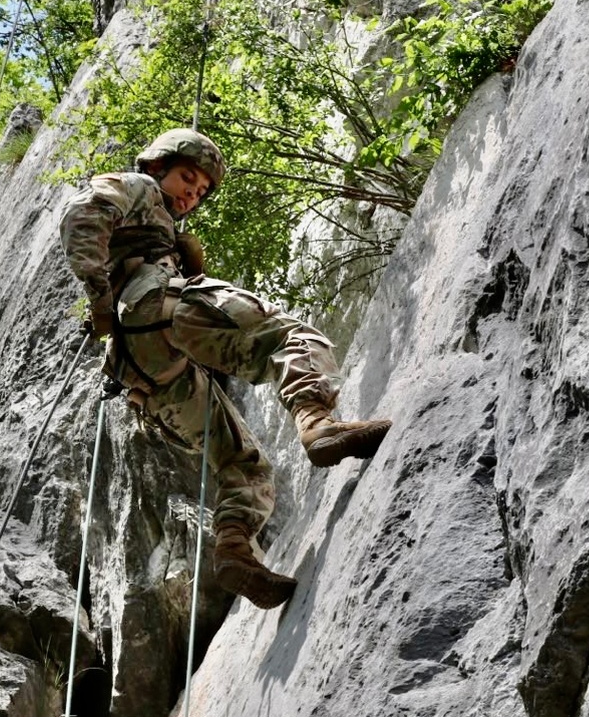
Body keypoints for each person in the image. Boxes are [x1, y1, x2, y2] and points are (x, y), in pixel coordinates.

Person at [58, 128, 391, 609]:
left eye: (200, 192)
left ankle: (234, 551)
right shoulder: (141, 188)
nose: (191, 195)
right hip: (162, 307)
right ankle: (317, 424)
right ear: (156, 167)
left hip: (142, 367)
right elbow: (82, 213)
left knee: (241, 462)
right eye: (186, 179)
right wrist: (98, 296)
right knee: (293, 338)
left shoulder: (159, 229)